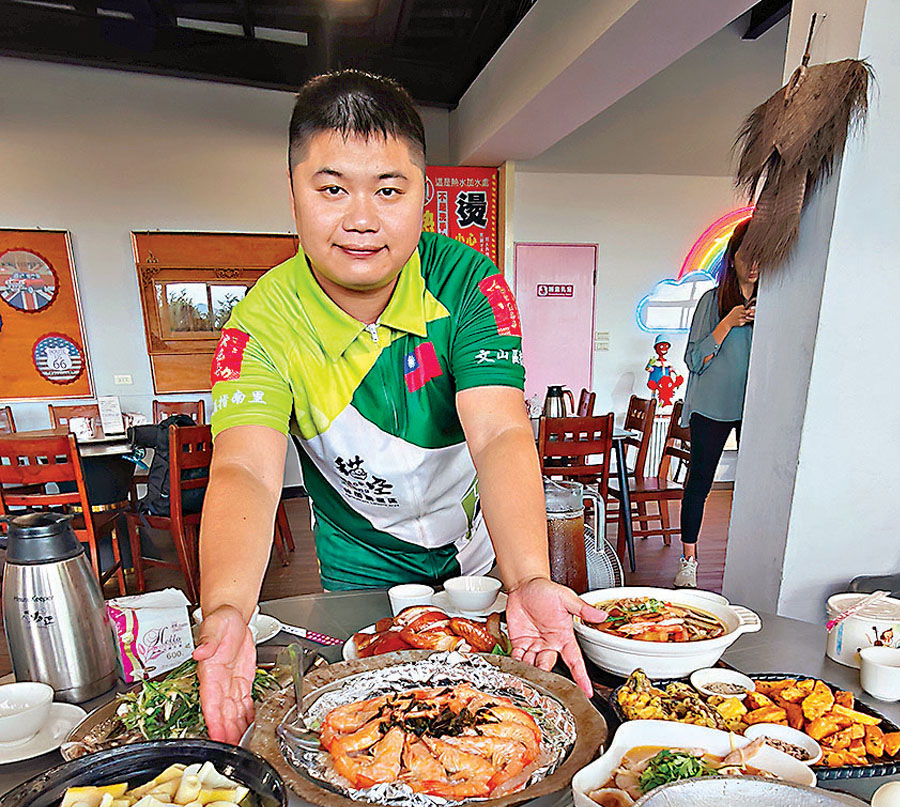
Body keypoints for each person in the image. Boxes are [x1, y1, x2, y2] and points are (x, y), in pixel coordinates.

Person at [194, 70, 602, 742]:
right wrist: (228, 608)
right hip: (359, 572)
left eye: (387, 190)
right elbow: (247, 470)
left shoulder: (469, 282)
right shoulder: (261, 322)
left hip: (478, 560)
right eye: (331, 189)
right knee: (373, 734)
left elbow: (499, 432)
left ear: (422, 196)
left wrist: (528, 576)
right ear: (293, 195)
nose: (360, 220)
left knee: (484, 733)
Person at [673, 219, 758, 590]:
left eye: (761, 256)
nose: (754, 264)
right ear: (733, 258)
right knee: (700, 483)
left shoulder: (778, 300)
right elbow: (694, 360)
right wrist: (728, 323)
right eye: (747, 255)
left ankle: (752, 561)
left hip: (755, 408)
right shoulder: (712, 300)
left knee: (757, 487)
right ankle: (688, 561)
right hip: (710, 406)